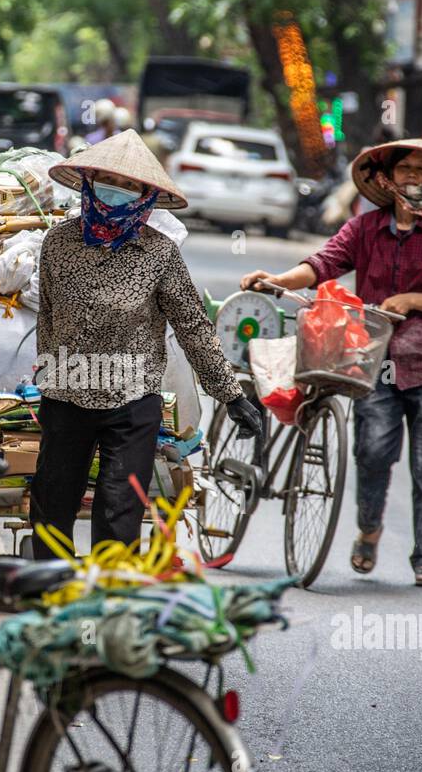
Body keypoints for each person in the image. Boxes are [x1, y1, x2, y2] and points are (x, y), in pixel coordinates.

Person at [239, 139, 422, 587]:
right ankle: (368, 532)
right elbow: (322, 264)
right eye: (404, 168)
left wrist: (411, 299)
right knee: (371, 454)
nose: (412, 177)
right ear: (388, 178)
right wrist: (276, 281)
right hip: (371, 363)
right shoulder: (365, 228)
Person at [32, 129, 263, 559]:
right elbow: (47, 317)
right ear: (88, 181)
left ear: (145, 197)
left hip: (132, 401)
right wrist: (52, 374)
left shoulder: (160, 253)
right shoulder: (57, 243)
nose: (116, 193)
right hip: (65, 395)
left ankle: (111, 605)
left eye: (129, 186)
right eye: (108, 181)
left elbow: (193, 325)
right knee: (52, 506)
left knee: (119, 513)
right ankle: (44, 601)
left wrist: (230, 394)